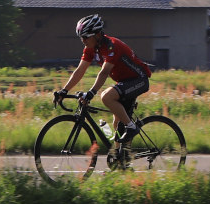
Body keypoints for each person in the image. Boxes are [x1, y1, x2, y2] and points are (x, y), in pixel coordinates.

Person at [53, 14, 152, 143]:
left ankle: (132, 127)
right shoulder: (91, 48)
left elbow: (104, 72)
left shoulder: (112, 46)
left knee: (106, 96)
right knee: (117, 124)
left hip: (139, 80)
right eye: (81, 37)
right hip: (124, 82)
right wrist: (64, 90)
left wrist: (91, 92)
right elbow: (80, 70)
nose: (83, 40)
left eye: (85, 37)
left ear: (97, 34)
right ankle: (121, 159)